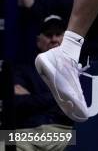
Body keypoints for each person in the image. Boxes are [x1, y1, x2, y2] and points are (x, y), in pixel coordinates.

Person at [14, 15, 73, 151]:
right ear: (38, 41)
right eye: (48, 35)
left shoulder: (76, 69)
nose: (54, 39)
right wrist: (59, 98)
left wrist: (33, 98)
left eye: (58, 34)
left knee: (87, 140)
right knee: (3, 139)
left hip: (64, 134)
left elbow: (77, 108)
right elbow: (16, 103)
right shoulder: (23, 70)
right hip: (26, 134)